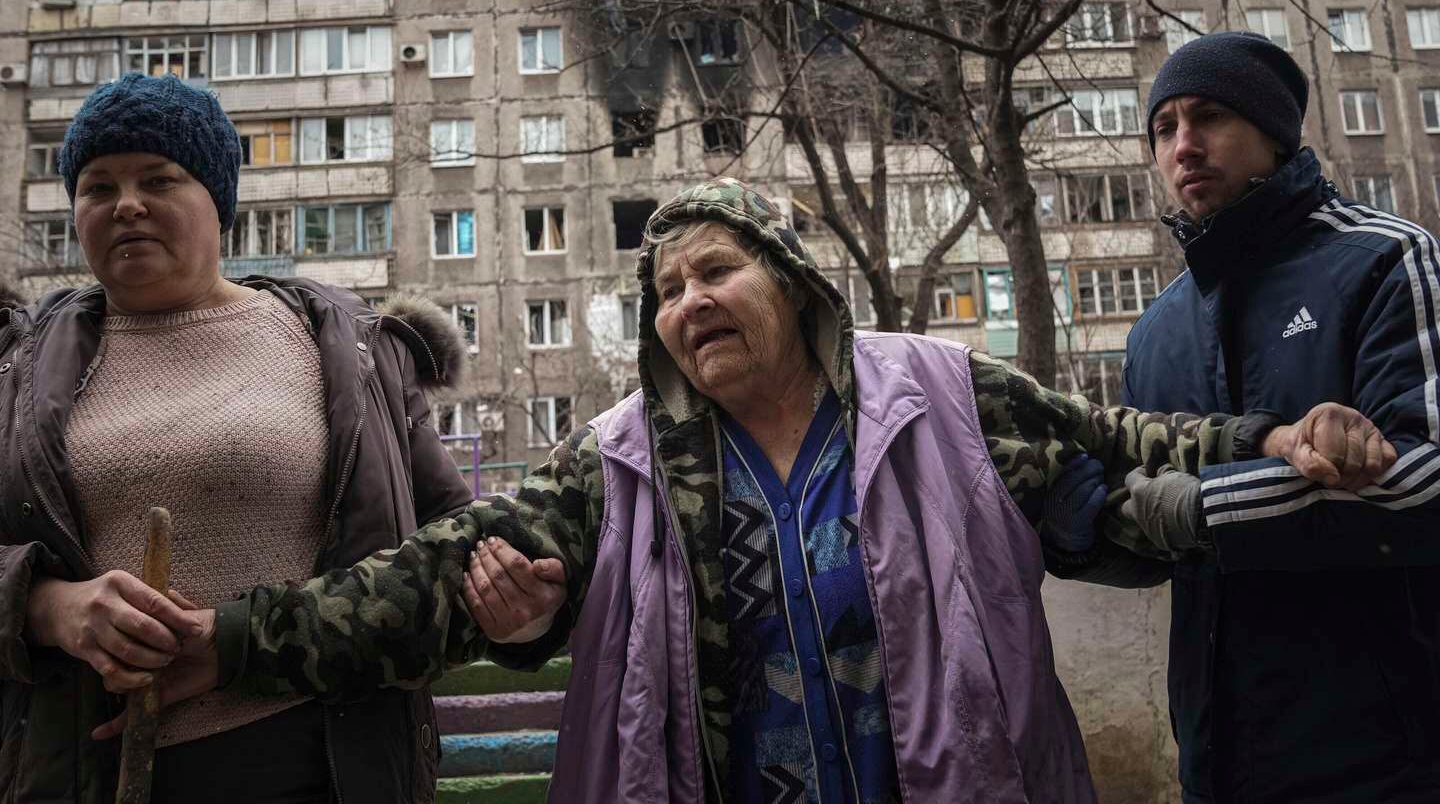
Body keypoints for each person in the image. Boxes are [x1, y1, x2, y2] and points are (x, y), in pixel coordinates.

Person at [141, 178, 1392, 804]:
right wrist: (237, 642)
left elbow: (1120, 448)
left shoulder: (941, 393)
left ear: (792, 280)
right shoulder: (622, 457)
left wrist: (1275, 434)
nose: (687, 302)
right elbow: (425, 587)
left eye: (715, 270)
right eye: (665, 290)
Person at [0, 73, 561, 804]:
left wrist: (524, 614)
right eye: (97, 187)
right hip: (81, 773)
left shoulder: (348, 351)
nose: (126, 204)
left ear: (219, 202)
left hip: (329, 766)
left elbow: (456, 550)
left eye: (159, 179)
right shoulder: (17, 368)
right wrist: (47, 607)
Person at [1103, 31, 1440, 802]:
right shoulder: (1155, 331)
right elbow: (1139, 505)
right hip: (1216, 762)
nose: (1184, 146)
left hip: (1384, 761)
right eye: (1164, 128)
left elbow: (1430, 473)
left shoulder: (1387, 260)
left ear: (1275, 133)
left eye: (1210, 117)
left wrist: (1209, 508)